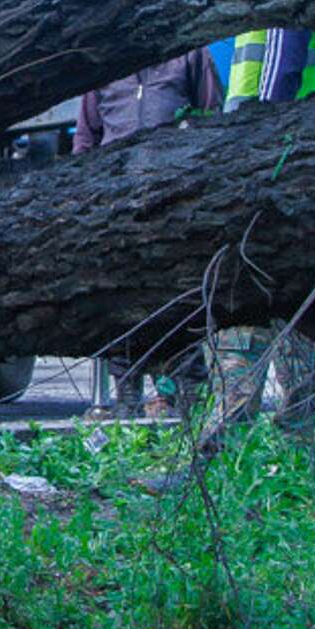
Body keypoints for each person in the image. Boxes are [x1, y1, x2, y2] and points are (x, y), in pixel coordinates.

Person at [207, 27, 315, 439]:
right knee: (314, 303)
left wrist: (253, 168)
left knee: (246, 307)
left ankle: (219, 457)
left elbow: (277, 72)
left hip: (285, 157)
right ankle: (302, 461)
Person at [74, 49, 223, 417]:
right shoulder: (105, 65)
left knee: (176, 307)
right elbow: (86, 137)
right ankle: (127, 410)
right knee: (122, 308)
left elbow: (212, 119)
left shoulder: (189, 56)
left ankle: (187, 410)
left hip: (172, 206)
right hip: (117, 208)